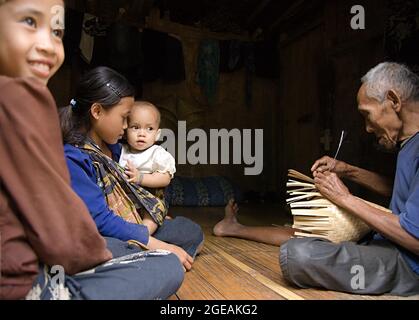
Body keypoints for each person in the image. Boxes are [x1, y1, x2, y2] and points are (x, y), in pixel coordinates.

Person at [0, 0, 185, 300]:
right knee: (165, 264)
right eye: (30, 23)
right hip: (35, 283)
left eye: (57, 31)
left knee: (174, 241)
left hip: (51, 261)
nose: (49, 44)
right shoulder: (58, 139)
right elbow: (74, 230)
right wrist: (135, 243)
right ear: (97, 112)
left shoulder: (36, 108)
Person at [214, 62, 419, 296]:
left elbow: (415, 238)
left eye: (367, 115)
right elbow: (403, 189)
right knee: (310, 232)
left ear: (394, 100)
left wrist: (345, 199)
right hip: (388, 242)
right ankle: (235, 228)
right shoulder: (409, 143)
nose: (368, 128)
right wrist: (347, 170)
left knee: (297, 256)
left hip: (408, 265)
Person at [59, 66, 204, 273]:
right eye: (124, 117)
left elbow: (132, 193)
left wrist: (149, 217)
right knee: (108, 248)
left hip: (130, 227)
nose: (127, 126)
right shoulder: (74, 157)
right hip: (102, 235)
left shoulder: (116, 149)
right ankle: (150, 261)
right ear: (97, 111)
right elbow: (99, 220)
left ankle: (144, 261)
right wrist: (158, 245)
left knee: (190, 231)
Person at [119, 101, 176, 236]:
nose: (142, 134)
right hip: (127, 200)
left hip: (150, 200)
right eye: (135, 127)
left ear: (157, 134)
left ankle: (142, 236)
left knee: (152, 214)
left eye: (149, 129)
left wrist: (141, 178)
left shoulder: (157, 153)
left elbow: (165, 178)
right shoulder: (122, 151)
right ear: (125, 131)